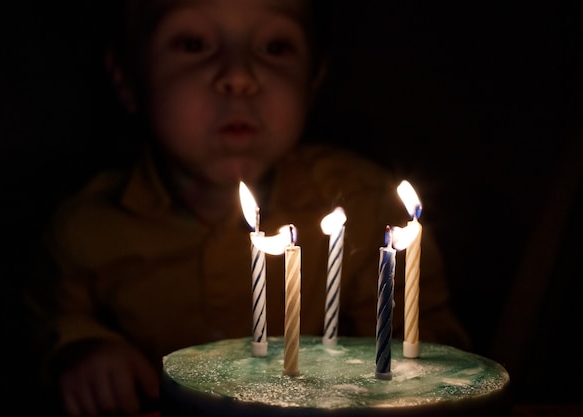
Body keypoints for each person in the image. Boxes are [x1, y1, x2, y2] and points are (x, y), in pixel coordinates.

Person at [25, 0, 471, 416]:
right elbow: (44, 320)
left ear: (313, 81)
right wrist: (80, 347)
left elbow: (427, 342)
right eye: (193, 44)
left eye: (275, 47)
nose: (239, 76)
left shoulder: (367, 203)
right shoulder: (85, 227)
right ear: (126, 79)